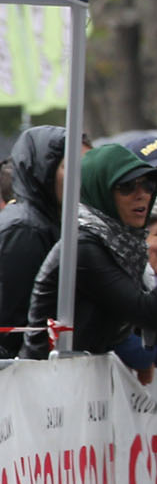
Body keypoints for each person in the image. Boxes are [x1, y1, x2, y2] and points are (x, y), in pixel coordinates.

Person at [24, 144, 157, 359]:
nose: (142, 195)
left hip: (81, 378)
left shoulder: (125, 245)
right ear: (101, 189)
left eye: (147, 185)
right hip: (47, 379)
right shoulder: (83, 246)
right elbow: (148, 315)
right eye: (127, 187)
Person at [0, 125, 72, 355]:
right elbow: (14, 321)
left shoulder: (50, 221)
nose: (78, 175)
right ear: (44, 169)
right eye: (66, 165)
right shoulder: (25, 230)